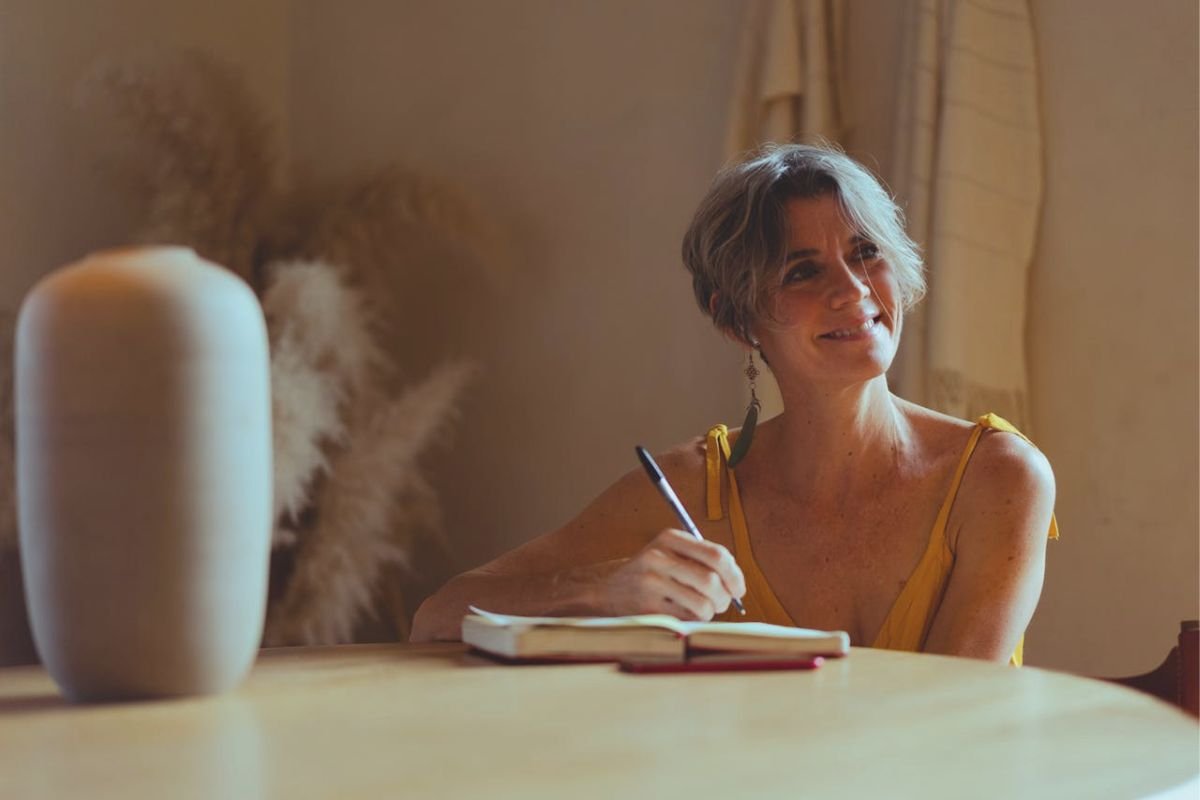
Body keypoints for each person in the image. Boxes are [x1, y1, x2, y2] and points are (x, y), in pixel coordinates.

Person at [410, 143, 1057, 664]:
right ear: (737, 320)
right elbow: (438, 615)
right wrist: (604, 590)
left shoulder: (999, 478)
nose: (854, 289)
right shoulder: (696, 488)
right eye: (803, 270)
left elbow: (954, 725)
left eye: (866, 253)